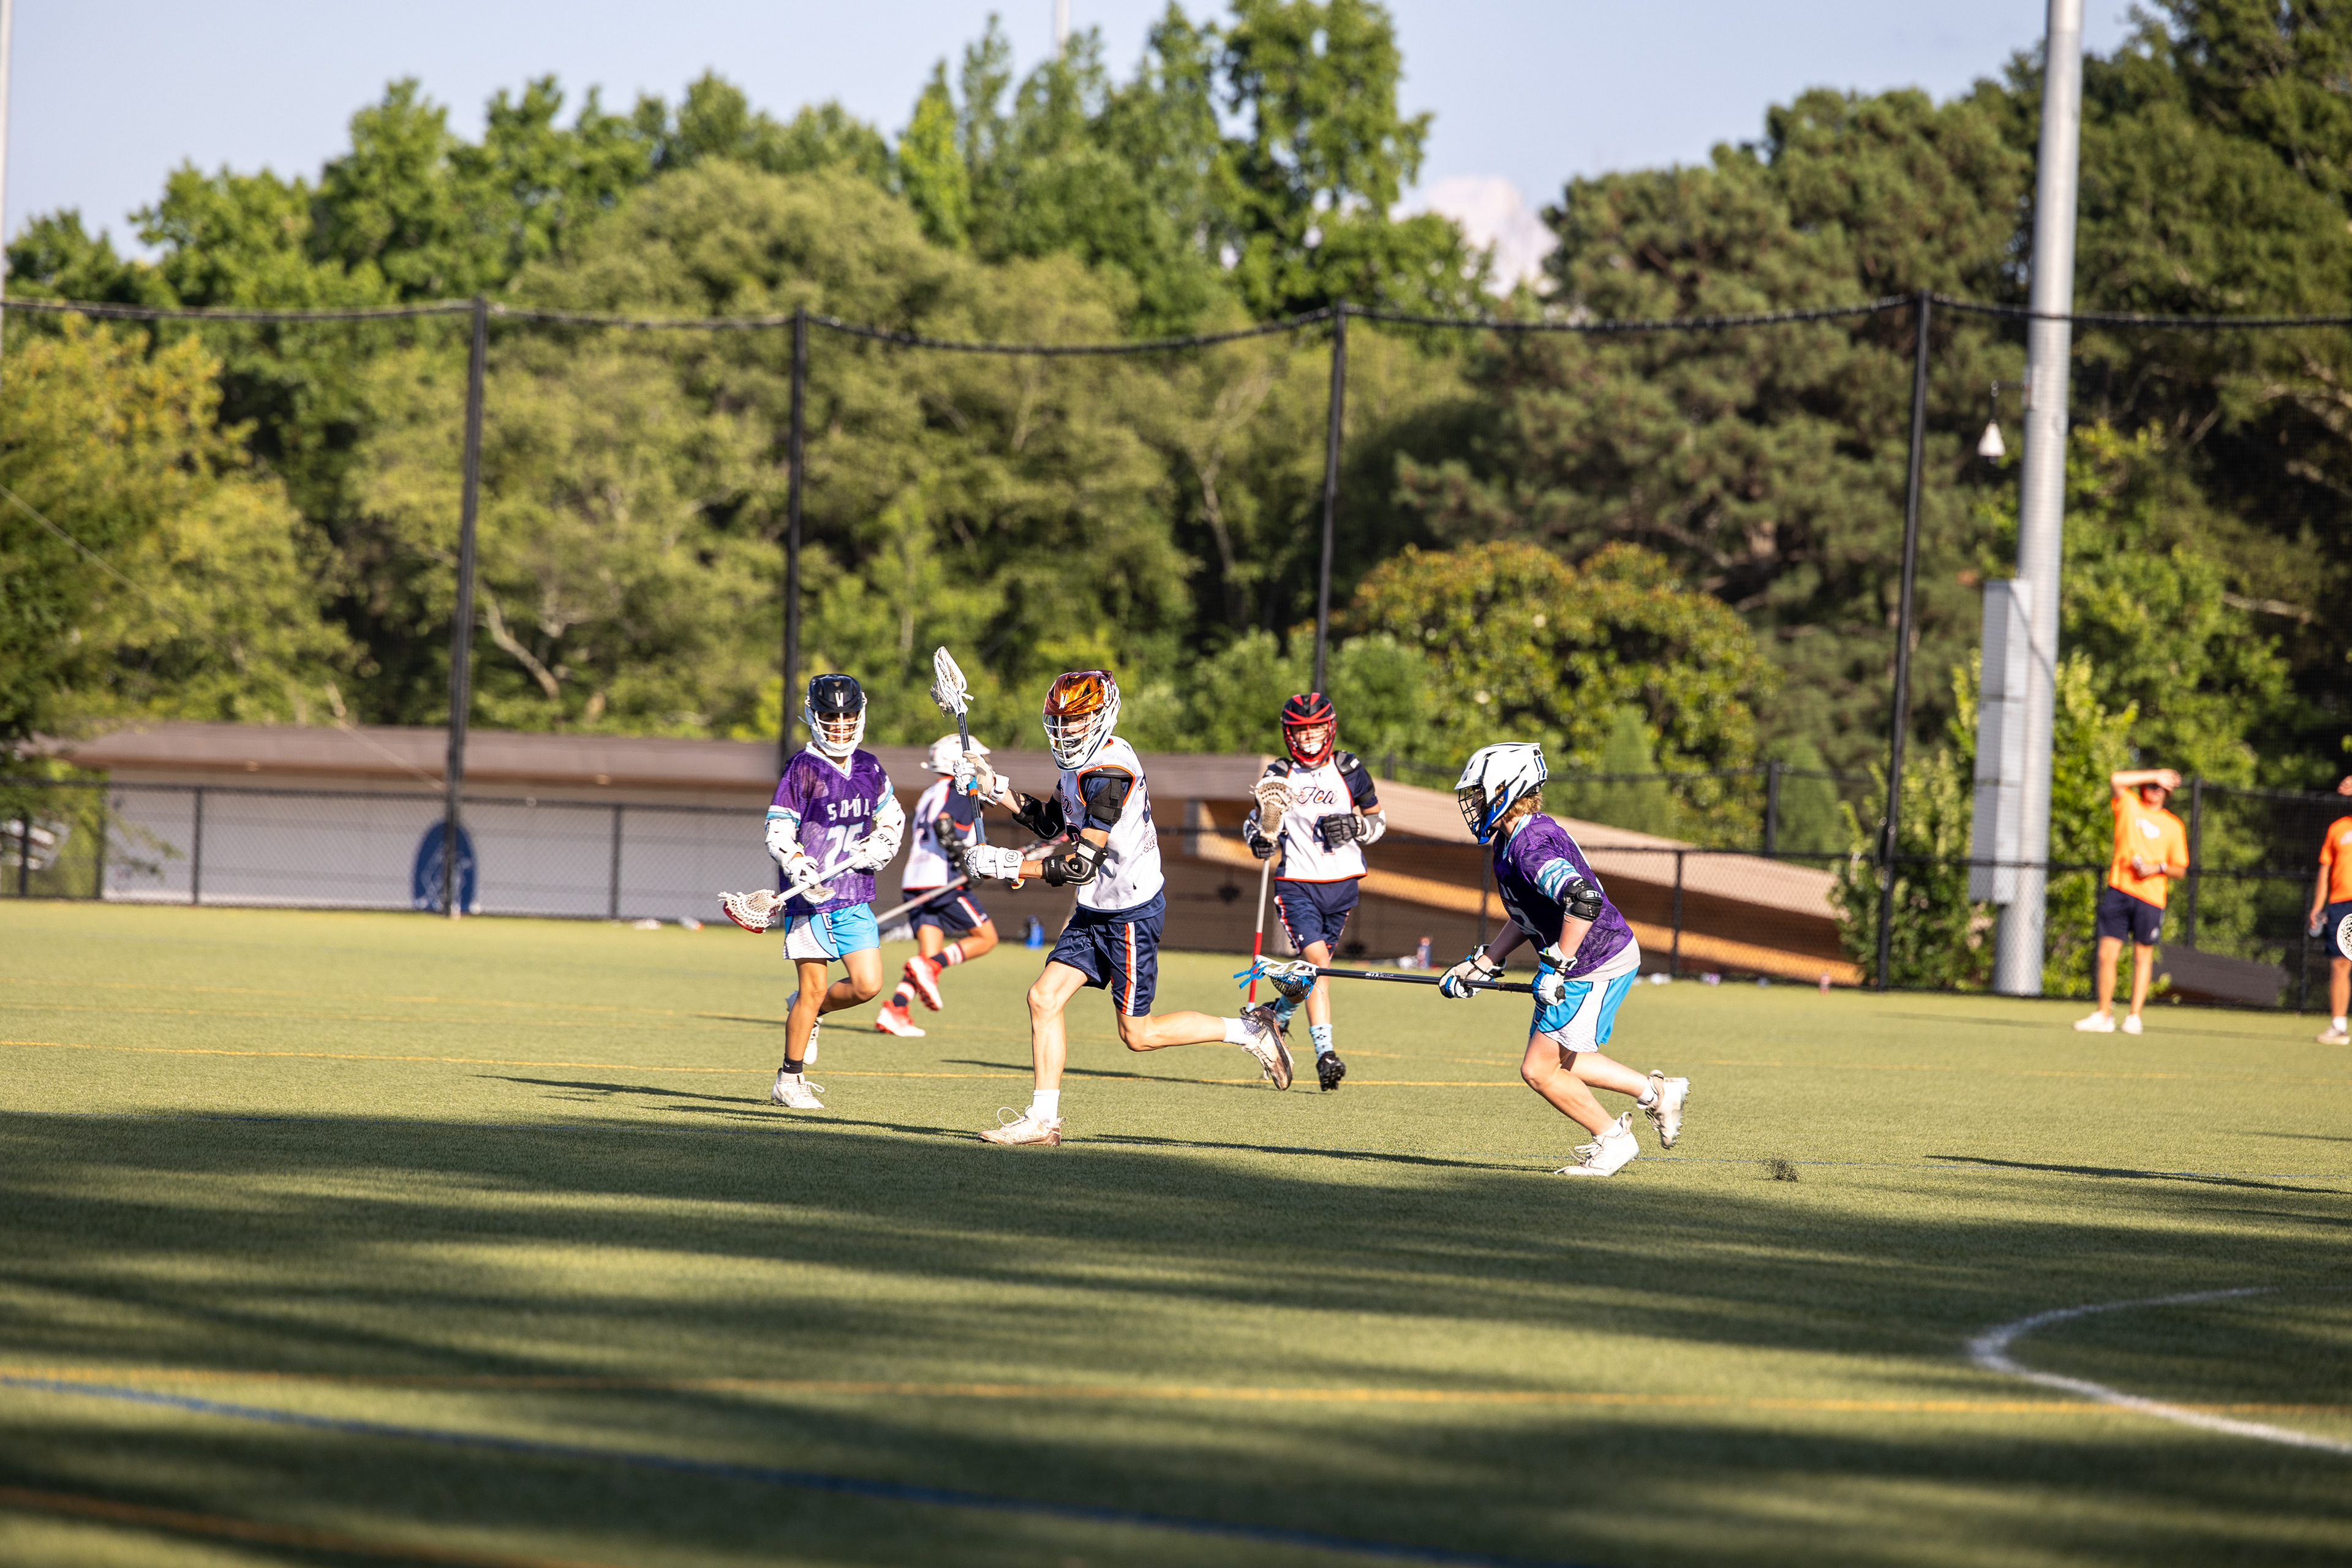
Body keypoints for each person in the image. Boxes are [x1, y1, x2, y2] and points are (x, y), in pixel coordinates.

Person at [952, 669, 1292, 1145]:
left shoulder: (1111, 773)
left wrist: (1008, 864)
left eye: (1077, 720)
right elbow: (1050, 824)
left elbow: (1080, 866)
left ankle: (1250, 1031)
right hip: (1095, 908)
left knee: (1139, 1035)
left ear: (1102, 718)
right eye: (1060, 721)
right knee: (1043, 998)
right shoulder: (1079, 765)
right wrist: (994, 786)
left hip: (1130, 913)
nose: (1067, 730)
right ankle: (1043, 1121)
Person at [1438, 742, 1688, 1178]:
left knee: (1540, 1070)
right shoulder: (1511, 838)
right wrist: (1486, 962)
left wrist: (1556, 966)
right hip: (1586, 958)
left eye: (1479, 792)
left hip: (1593, 962)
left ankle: (1614, 1140)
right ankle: (1658, 1093)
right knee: (1559, 1060)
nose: (1474, 802)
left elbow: (1584, 901)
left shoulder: (1530, 846)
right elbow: (1530, 914)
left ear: (1507, 789)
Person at [717, 674, 902, 1109]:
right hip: (810, 898)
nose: (840, 725)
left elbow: (892, 816)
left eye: (847, 716)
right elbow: (778, 828)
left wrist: (885, 841)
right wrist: (798, 862)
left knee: (868, 985)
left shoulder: (870, 766)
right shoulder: (803, 767)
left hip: (854, 891)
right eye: (831, 717)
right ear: (814, 717)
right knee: (813, 988)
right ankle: (789, 1079)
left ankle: (811, 1012)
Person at [1243, 692, 1385, 1091]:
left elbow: (1378, 821)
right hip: (1297, 885)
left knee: (1311, 973)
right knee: (1319, 965)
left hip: (1343, 886)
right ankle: (1326, 1054)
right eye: (1301, 731)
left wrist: (1357, 827)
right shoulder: (1279, 774)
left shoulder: (1350, 769)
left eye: (1316, 730)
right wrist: (1259, 840)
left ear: (1330, 729)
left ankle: (1273, 1017)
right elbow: (1255, 823)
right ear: (1289, 734)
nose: (1309, 738)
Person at [875, 735, 1002, 1038]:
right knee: (986, 939)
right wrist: (963, 862)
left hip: (915, 880)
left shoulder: (930, 792)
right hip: (942, 879)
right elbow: (945, 826)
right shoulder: (960, 787)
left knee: (925, 957)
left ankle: (896, 1010)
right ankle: (931, 967)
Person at [2074, 767, 2189, 1036]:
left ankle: (2134, 1017)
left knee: (2142, 956)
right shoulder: (2129, 805)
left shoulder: (2174, 825)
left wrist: (2157, 867)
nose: (2154, 791)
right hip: (2119, 889)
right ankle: (2104, 1014)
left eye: (2160, 787)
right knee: (2106, 954)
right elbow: (2116, 779)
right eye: (2151, 786)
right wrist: (2155, 774)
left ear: (2168, 793)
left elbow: (2181, 869)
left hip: (2150, 897)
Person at [2306, 775, 2352, 1046]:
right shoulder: (2338, 828)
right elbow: (2324, 872)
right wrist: (2317, 906)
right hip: (2341, 904)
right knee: (2340, 963)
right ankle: (2338, 1026)